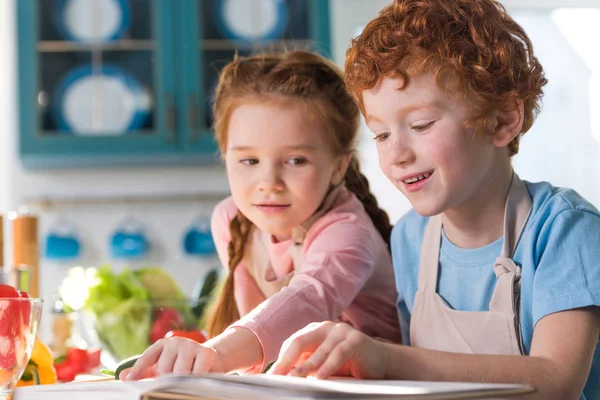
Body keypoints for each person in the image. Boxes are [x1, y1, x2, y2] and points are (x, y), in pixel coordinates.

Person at [269, 1, 600, 399]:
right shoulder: (411, 238)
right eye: (382, 134)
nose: (397, 155)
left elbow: (556, 380)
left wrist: (388, 360)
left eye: (420, 125)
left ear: (502, 119)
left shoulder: (564, 230)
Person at [121, 50, 401, 379]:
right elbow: (259, 338)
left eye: (296, 160)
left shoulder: (347, 231)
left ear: (338, 166)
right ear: (225, 156)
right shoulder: (231, 220)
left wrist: (215, 353)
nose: (269, 183)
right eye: (249, 161)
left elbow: (307, 300)